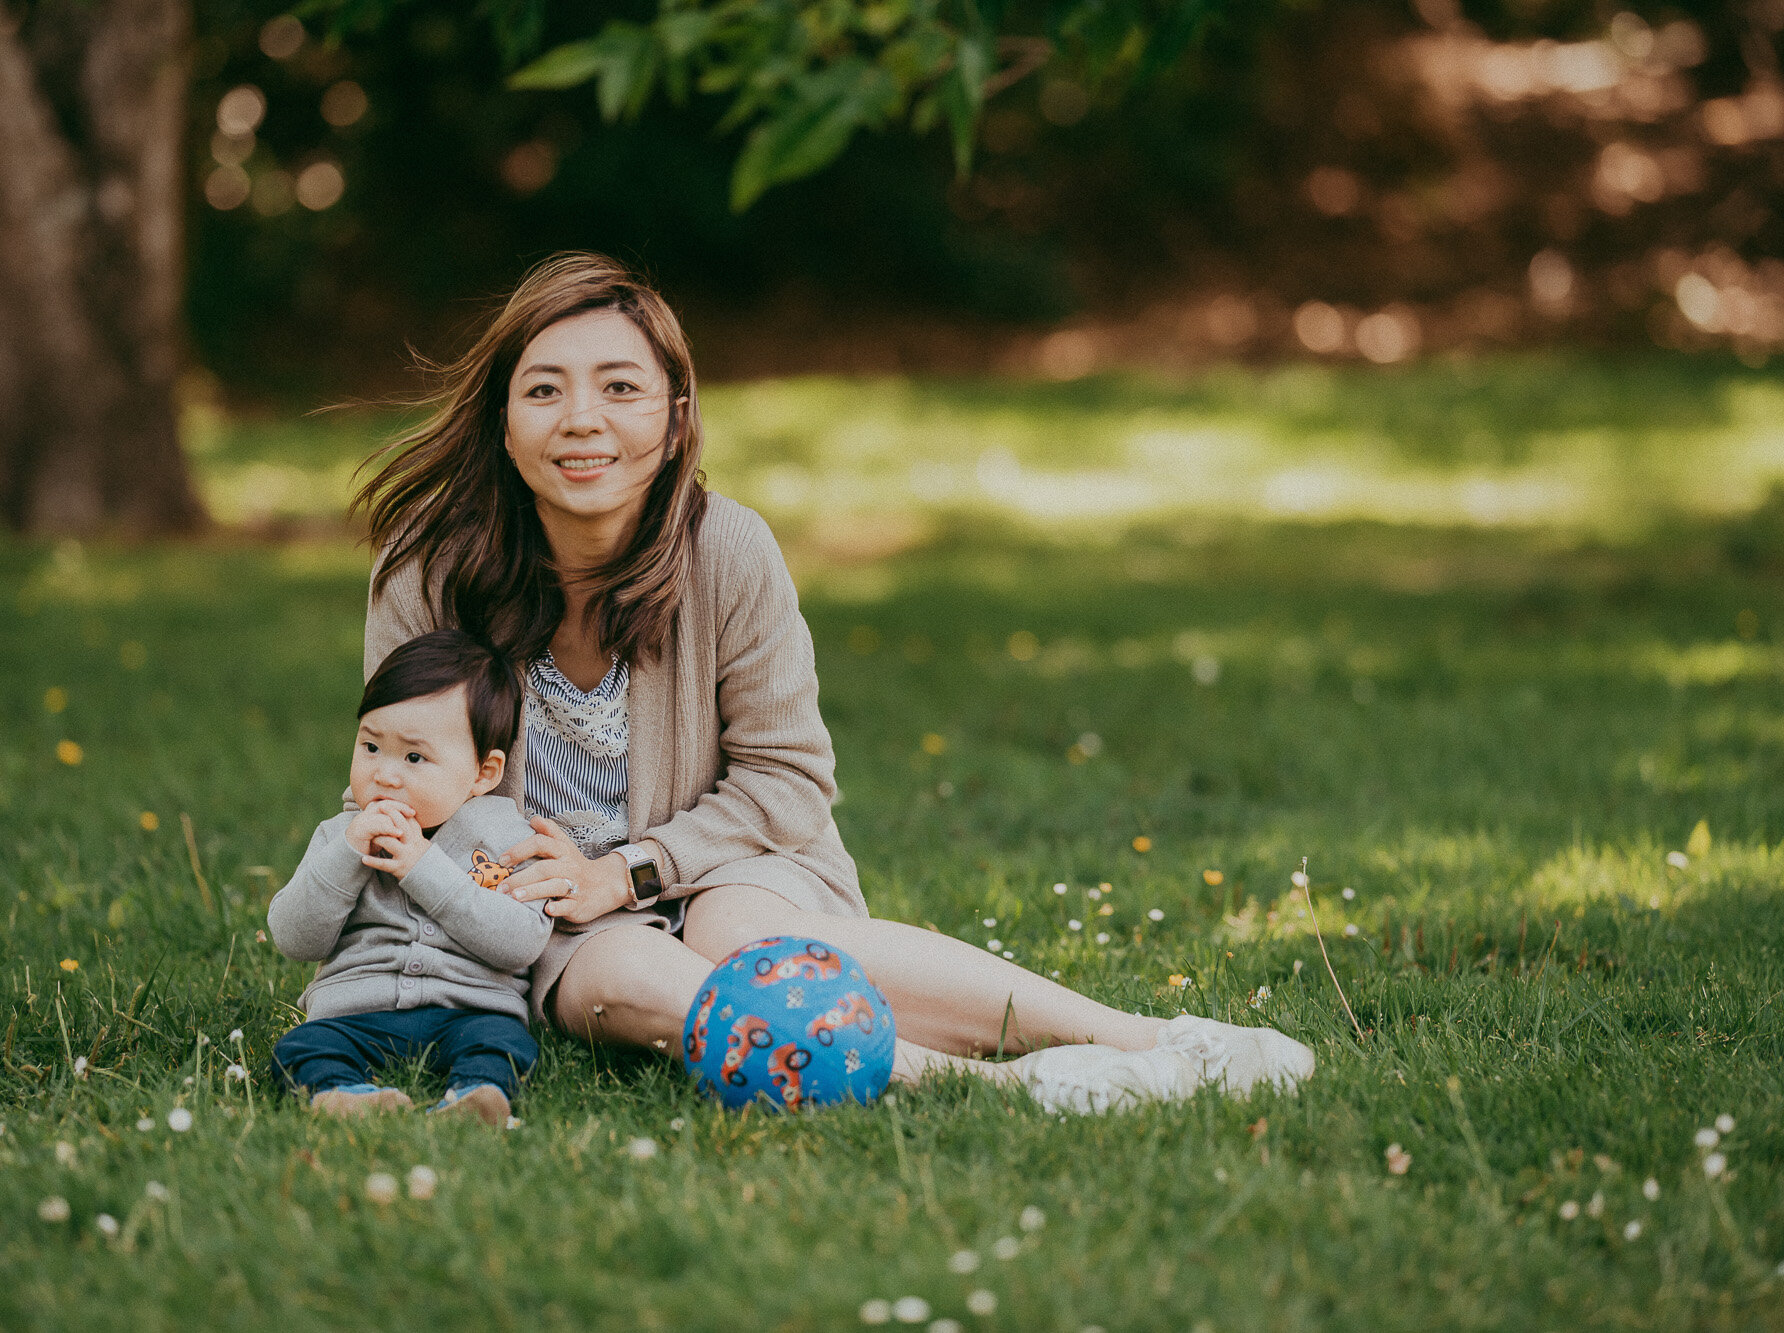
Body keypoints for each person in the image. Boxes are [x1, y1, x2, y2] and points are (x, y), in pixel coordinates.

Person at [352, 252, 1314, 1115]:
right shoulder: (427, 570)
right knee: (627, 968)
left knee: (743, 932)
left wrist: (633, 870)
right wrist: (544, 886)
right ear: (503, 422)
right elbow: (402, 777)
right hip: (535, 907)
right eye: (545, 391)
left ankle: (1149, 1039)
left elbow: (786, 779)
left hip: (733, 860)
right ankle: (1000, 1087)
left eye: (620, 387)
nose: (583, 420)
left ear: (676, 414)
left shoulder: (727, 549)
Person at [267, 628, 550, 1123]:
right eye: (371, 747)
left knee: (504, 1044)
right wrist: (348, 855)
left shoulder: (506, 836)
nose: (385, 774)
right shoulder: (341, 835)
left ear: (484, 772)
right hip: (357, 1012)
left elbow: (521, 942)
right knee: (302, 1046)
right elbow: (294, 936)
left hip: (471, 1011)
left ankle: (476, 1095)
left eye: (414, 757)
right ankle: (344, 1097)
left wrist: (424, 869)